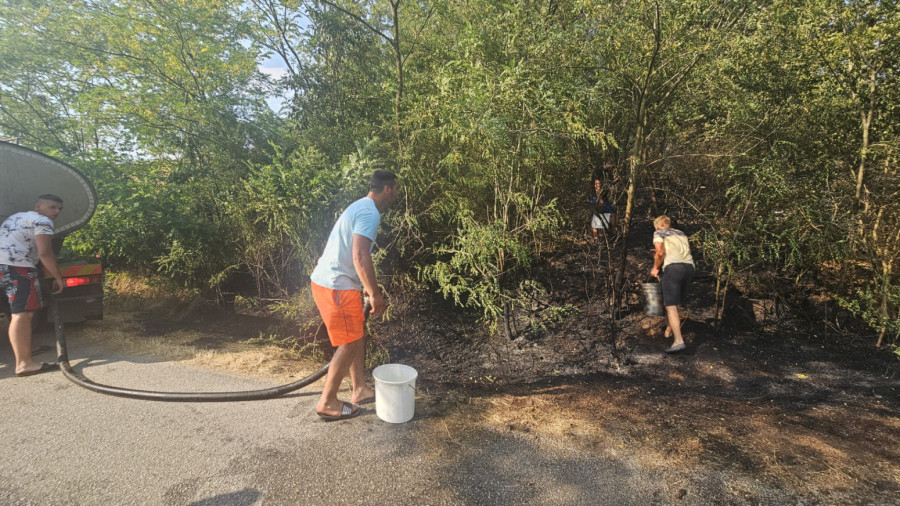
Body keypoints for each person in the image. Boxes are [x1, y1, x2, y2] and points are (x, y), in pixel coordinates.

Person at [310, 170, 399, 421]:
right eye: (396, 190)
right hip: (336, 286)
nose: (396, 195)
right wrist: (374, 294)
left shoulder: (360, 206)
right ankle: (327, 402)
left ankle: (359, 389)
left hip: (333, 282)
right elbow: (360, 256)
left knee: (356, 334)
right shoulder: (370, 212)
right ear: (387, 189)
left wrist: (366, 288)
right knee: (349, 342)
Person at [1, 194, 65, 376]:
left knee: (17, 313)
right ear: (38, 207)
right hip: (18, 268)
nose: (57, 211)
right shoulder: (42, 221)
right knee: (22, 314)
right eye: (52, 207)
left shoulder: (15, 218)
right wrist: (58, 277)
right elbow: (45, 253)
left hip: (2, 267)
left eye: (59, 208)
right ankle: (24, 363)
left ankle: (23, 354)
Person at [650, 215, 695, 354]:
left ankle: (679, 341)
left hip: (673, 269)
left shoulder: (659, 233)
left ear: (658, 226)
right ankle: (669, 330)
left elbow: (660, 252)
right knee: (674, 303)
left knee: (670, 305)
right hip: (689, 267)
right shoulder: (681, 233)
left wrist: (656, 267)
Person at [589, 161, 619, 239]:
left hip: (604, 197)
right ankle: (596, 238)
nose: (612, 169)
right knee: (596, 215)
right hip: (596, 197)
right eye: (612, 167)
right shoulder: (598, 171)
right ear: (608, 164)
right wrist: (599, 198)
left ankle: (612, 235)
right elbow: (597, 185)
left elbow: (607, 184)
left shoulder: (607, 173)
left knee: (612, 213)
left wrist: (614, 181)